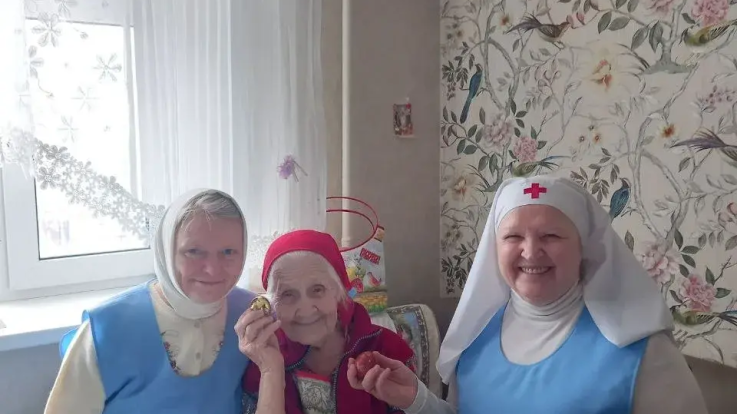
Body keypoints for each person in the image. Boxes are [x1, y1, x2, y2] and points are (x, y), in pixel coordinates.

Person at [347, 176, 709, 414]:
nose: (531, 251)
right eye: (513, 237)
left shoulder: (641, 349)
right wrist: (415, 398)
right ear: (495, 247)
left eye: (551, 235)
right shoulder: (474, 338)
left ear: (583, 247)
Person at [44, 189, 255, 414]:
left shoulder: (250, 315)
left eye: (228, 251)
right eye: (194, 251)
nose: (212, 269)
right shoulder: (110, 327)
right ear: (167, 250)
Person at [238, 229, 414, 414]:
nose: (305, 310)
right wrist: (271, 372)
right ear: (272, 304)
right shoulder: (263, 359)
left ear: (338, 292)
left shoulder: (386, 349)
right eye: (287, 294)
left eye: (317, 289)